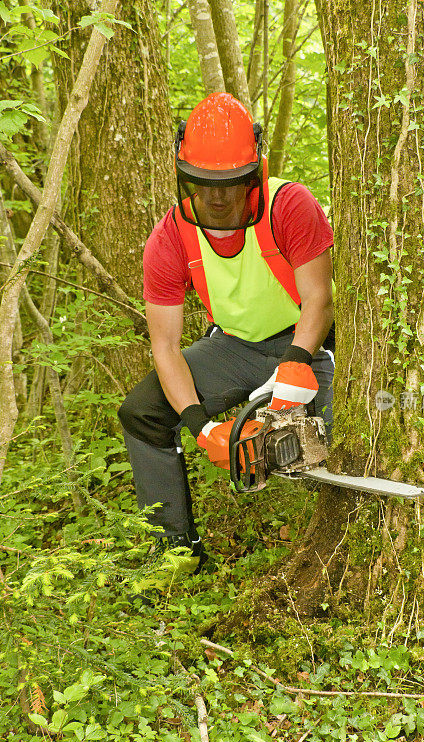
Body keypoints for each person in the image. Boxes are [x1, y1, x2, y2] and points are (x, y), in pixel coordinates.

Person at [118, 92, 335, 571]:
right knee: (142, 413)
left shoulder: (289, 204)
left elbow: (319, 298)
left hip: (307, 342)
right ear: (185, 176)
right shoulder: (169, 237)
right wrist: (203, 427)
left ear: (253, 172)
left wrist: (296, 364)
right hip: (233, 346)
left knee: (323, 441)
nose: (217, 195)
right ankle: (176, 553)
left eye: (231, 183)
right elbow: (165, 346)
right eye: (203, 182)